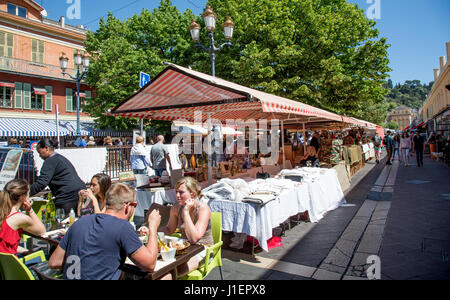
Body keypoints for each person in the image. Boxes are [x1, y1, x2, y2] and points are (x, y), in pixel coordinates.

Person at [49, 183, 162, 280]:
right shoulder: (123, 227)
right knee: (165, 277)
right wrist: (152, 227)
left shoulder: (79, 223)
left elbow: (54, 262)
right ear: (128, 206)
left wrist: (86, 261)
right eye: (135, 205)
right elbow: (150, 264)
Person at [138, 177, 212, 280]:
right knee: (157, 269)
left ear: (193, 194)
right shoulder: (176, 208)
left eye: (181, 192)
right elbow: (169, 230)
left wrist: (186, 212)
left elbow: (194, 239)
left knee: (171, 272)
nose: (177, 195)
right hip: (183, 249)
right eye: (176, 192)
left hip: (203, 249)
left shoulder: (203, 209)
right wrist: (151, 230)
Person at [29, 139, 86, 216]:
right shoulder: (59, 158)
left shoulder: (50, 161)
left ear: (46, 148)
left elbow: (42, 182)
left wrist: (26, 193)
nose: (39, 155)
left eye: (39, 152)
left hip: (67, 196)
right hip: (79, 192)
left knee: (64, 221)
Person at [0, 179, 46, 255]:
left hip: (3, 263)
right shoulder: (20, 218)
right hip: (12, 264)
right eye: (28, 194)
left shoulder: (3, 213)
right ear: (23, 197)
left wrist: (27, 251)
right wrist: (30, 210)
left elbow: (4, 245)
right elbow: (42, 232)